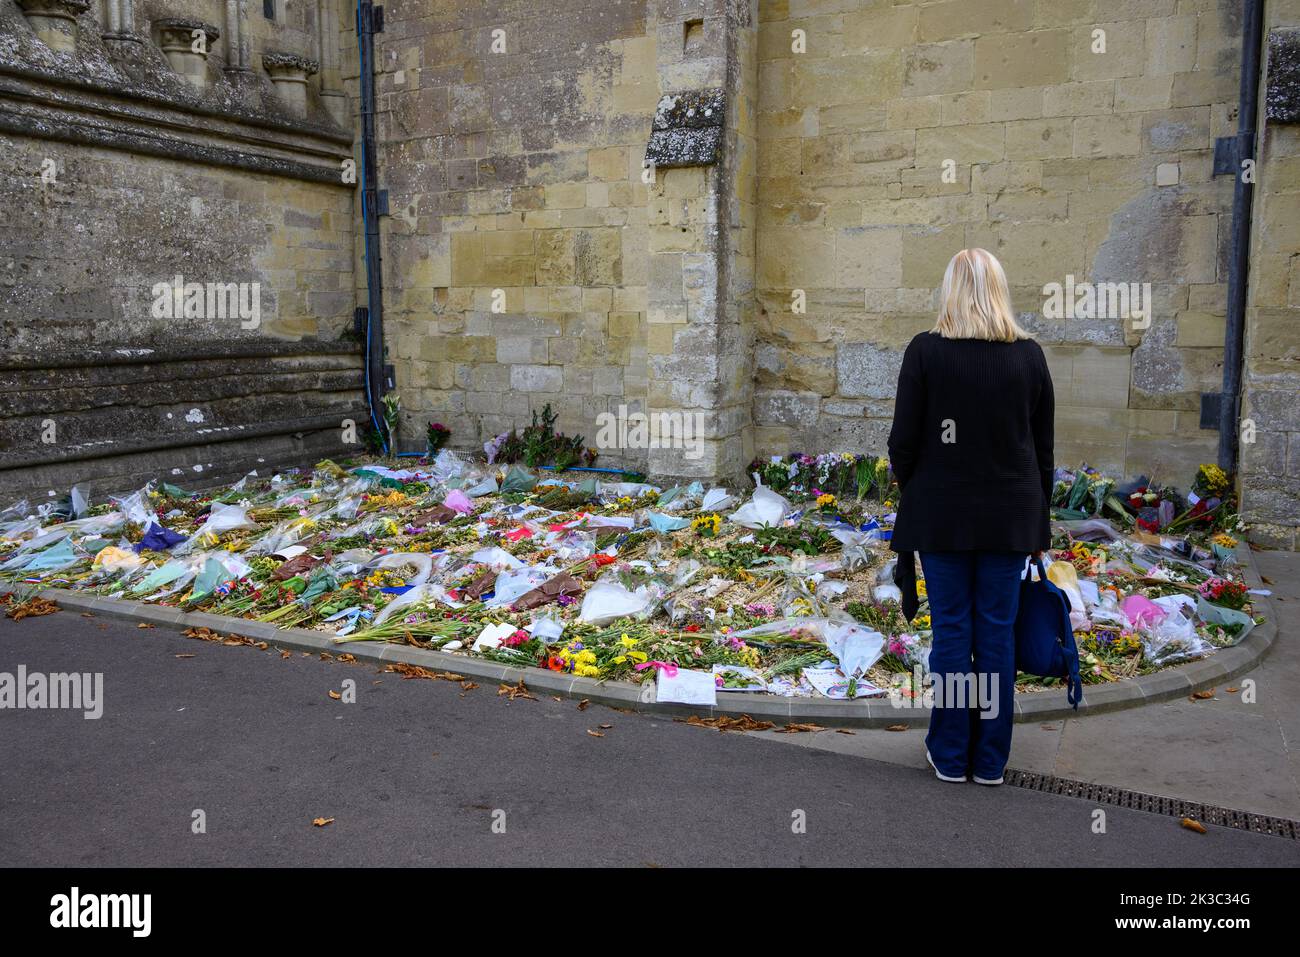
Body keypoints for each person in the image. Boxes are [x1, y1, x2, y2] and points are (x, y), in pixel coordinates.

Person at [886, 248, 1054, 786]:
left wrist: (921, 486)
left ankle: (952, 752)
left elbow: (903, 442)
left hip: (942, 517)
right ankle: (990, 760)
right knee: (997, 636)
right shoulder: (1029, 358)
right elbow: (1042, 450)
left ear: (949, 291)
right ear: (999, 290)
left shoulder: (925, 353)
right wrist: (1037, 527)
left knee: (953, 634)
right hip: (1010, 518)